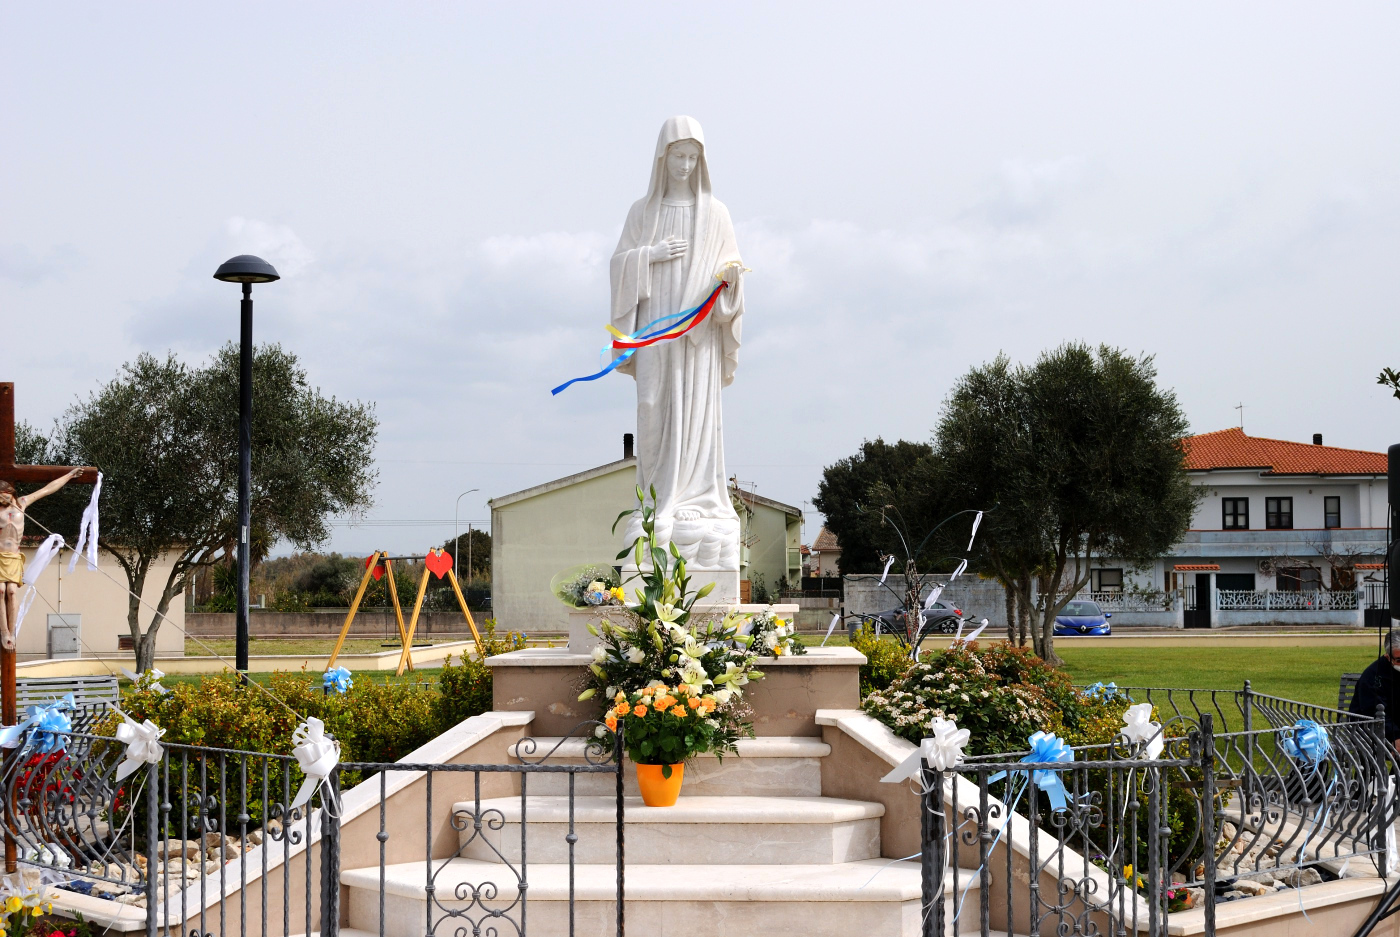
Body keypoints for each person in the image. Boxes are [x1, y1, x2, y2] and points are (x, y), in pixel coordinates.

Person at [609, 116, 745, 571]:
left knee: (696, 412)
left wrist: (731, 281)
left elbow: (732, 275)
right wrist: (650, 255)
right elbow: (619, 264)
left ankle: (695, 498)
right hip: (655, 328)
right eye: (678, 156)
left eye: (692, 157)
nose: (685, 165)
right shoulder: (642, 212)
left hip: (698, 336)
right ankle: (654, 502)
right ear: (662, 157)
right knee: (651, 405)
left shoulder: (717, 214)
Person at [0, 469, 82, 650]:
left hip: (13, 557)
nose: (2, 500)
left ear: (11, 493)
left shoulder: (22, 503)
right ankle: (4, 632)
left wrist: (69, 475)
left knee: (11, 591)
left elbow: (47, 490)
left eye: (4, 497)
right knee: (0, 590)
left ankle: (12, 631)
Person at [1349, 629, 1400, 751]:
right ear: (1388, 656)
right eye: (1399, 660)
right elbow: (1373, 712)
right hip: (1371, 730)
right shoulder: (1373, 676)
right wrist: (1396, 736)